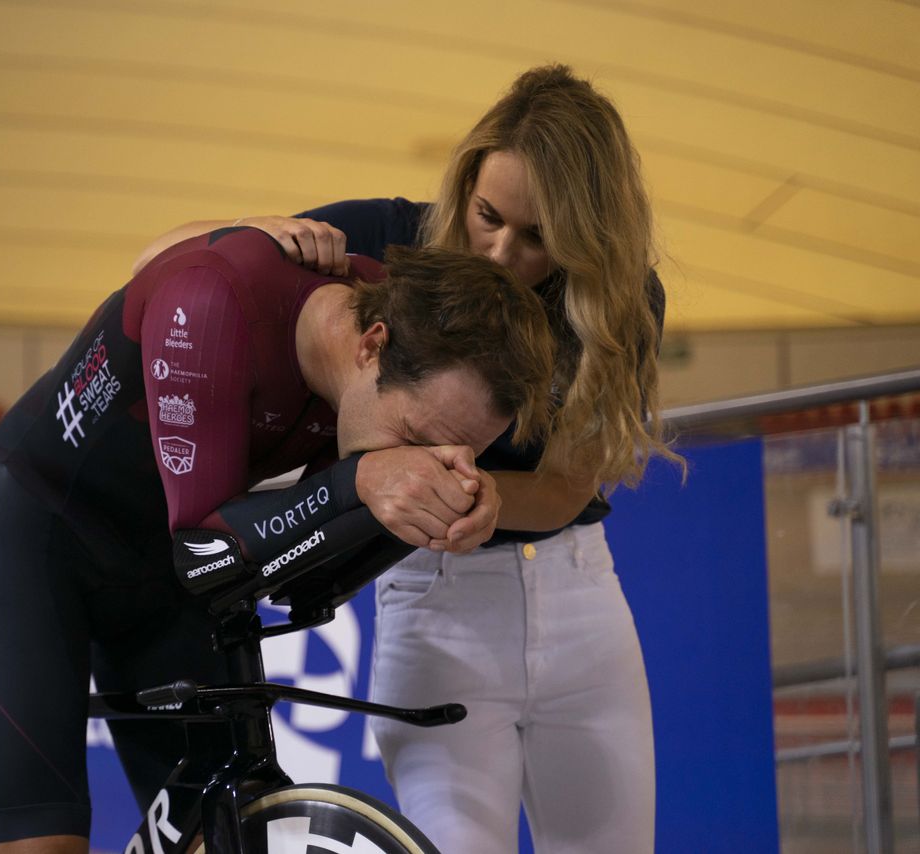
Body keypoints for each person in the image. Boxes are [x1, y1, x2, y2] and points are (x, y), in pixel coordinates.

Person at [135, 65, 683, 854]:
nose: (500, 252)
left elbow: (566, 488)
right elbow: (158, 261)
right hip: (436, 603)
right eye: (488, 214)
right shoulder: (394, 238)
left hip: (582, 604)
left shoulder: (622, 297)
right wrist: (254, 231)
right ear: (464, 183)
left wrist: (483, 494)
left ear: (587, 238)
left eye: (539, 238)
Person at [0, 224, 556, 853]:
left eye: (454, 453)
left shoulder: (403, 347)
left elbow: (308, 580)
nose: (423, 464)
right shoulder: (211, 302)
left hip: (169, 573)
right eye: (417, 438)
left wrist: (442, 514)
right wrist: (361, 483)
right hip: (38, 536)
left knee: (217, 830)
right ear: (372, 346)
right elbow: (200, 551)